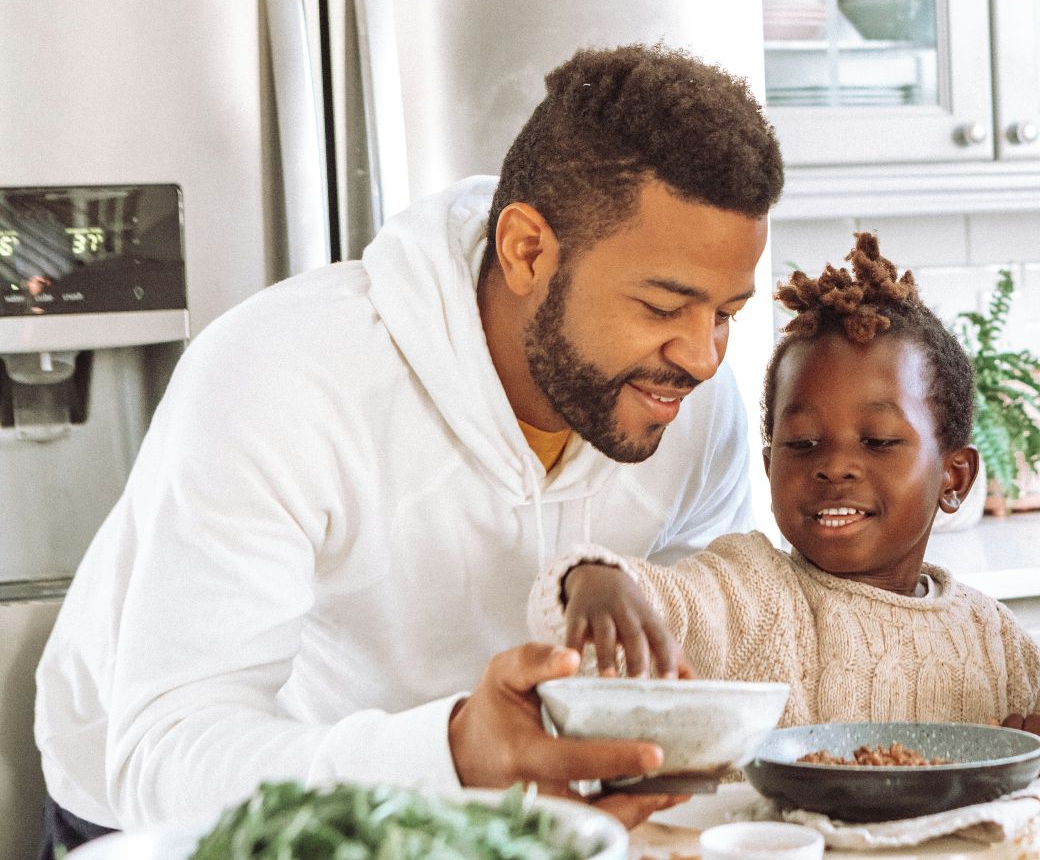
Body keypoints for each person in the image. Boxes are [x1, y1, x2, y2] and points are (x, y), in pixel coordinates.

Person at [34, 43, 784, 856]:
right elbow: (163, 752)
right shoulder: (281, 378)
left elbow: (682, 641)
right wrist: (453, 753)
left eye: (727, 314)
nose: (704, 357)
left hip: (489, 824)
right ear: (527, 250)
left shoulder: (687, 409)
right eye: (663, 305)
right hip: (188, 828)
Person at [529, 233, 1040, 727]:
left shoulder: (1000, 644)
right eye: (802, 444)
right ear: (771, 463)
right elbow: (654, 607)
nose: (835, 466)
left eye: (880, 441)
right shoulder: (749, 592)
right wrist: (592, 579)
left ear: (954, 478)